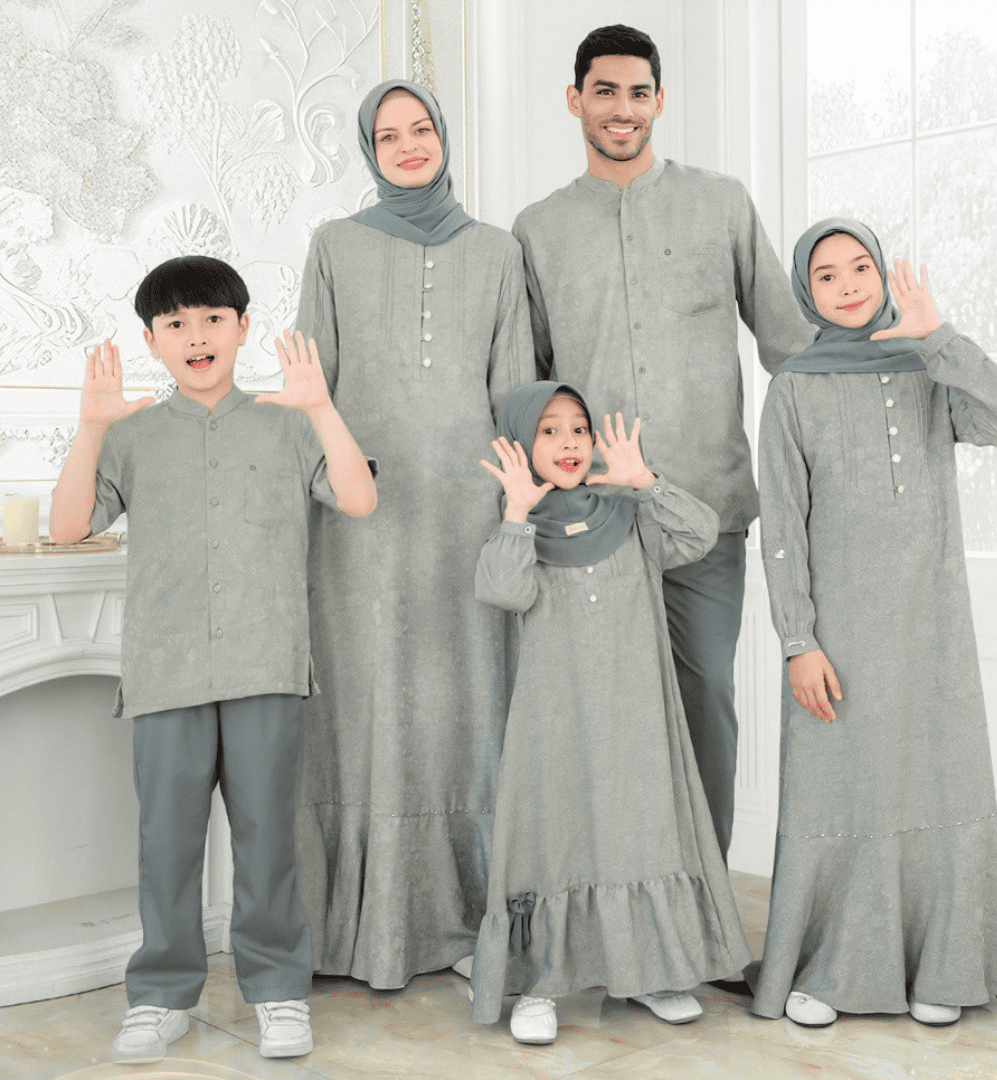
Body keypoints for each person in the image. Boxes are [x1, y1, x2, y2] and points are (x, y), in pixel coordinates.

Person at [49, 255, 377, 1062]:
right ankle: (159, 996)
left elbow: (360, 499)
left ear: (242, 327)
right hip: (165, 672)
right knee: (167, 845)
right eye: (176, 323)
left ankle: (277, 991)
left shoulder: (288, 420)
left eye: (212, 319)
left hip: (268, 662)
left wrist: (322, 407)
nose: (195, 336)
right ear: (152, 341)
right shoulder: (129, 436)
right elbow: (67, 528)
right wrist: (89, 427)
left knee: (268, 842)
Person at [512, 24, 813, 873]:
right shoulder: (538, 230)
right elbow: (530, 382)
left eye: (638, 92)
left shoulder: (721, 204)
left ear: (660, 101)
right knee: (604, 711)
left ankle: (704, 894)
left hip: (706, 510)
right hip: (590, 521)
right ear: (574, 100)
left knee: (705, 693)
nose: (623, 108)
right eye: (604, 91)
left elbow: (792, 345)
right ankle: (622, 900)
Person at [752, 218, 997, 1026]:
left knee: (938, 780)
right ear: (805, 293)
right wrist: (798, 641)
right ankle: (831, 970)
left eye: (860, 268)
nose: (847, 285)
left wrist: (938, 335)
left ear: (883, 274)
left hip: (930, 627)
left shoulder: (927, 366)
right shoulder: (793, 388)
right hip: (837, 639)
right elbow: (782, 527)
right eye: (826, 275)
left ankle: (944, 967)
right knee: (839, 791)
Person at [294, 79, 533, 989]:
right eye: (388, 135)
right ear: (369, 149)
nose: (407, 145)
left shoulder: (499, 251)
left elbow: (514, 390)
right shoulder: (334, 246)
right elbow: (313, 390)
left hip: (469, 512)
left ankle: (472, 923)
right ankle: (358, 930)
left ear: (443, 137)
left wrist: (518, 509)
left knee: (469, 698)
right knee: (368, 700)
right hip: (361, 516)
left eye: (421, 128)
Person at [468, 381, 753, 1044]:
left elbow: (700, 534)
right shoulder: (520, 530)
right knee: (555, 840)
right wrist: (516, 512)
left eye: (579, 429)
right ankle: (542, 982)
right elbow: (503, 592)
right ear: (521, 445)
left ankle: (651, 970)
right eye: (549, 431)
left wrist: (645, 480)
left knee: (642, 832)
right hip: (555, 726)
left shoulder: (630, 515)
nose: (568, 442)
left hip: (637, 721)